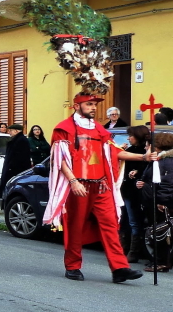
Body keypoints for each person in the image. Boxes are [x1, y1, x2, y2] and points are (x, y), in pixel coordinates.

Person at [43, 93, 156, 283]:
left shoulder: (99, 129)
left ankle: (119, 268)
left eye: (95, 104)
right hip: (78, 185)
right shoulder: (64, 128)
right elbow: (59, 159)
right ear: (77, 106)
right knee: (75, 226)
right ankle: (73, 266)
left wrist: (143, 158)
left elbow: (115, 152)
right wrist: (73, 181)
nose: (94, 108)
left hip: (101, 185)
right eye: (89, 104)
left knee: (111, 225)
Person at [137, 132, 173, 272]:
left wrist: (162, 202)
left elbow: (167, 184)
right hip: (153, 201)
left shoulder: (167, 161)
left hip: (160, 203)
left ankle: (162, 262)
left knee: (161, 234)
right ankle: (159, 261)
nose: (147, 147)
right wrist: (143, 184)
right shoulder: (159, 160)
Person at [121, 125, 150, 263]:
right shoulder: (130, 151)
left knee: (134, 221)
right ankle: (124, 248)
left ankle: (133, 252)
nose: (128, 138)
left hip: (136, 193)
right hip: (126, 190)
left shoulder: (146, 152)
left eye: (130, 135)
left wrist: (138, 172)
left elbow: (147, 168)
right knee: (125, 220)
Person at [0, 124, 31, 197]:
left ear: (16, 131)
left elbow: (20, 157)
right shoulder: (16, 139)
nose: (9, 132)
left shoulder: (21, 140)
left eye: (10, 130)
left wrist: (11, 167)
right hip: (12, 168)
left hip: (15, 170)